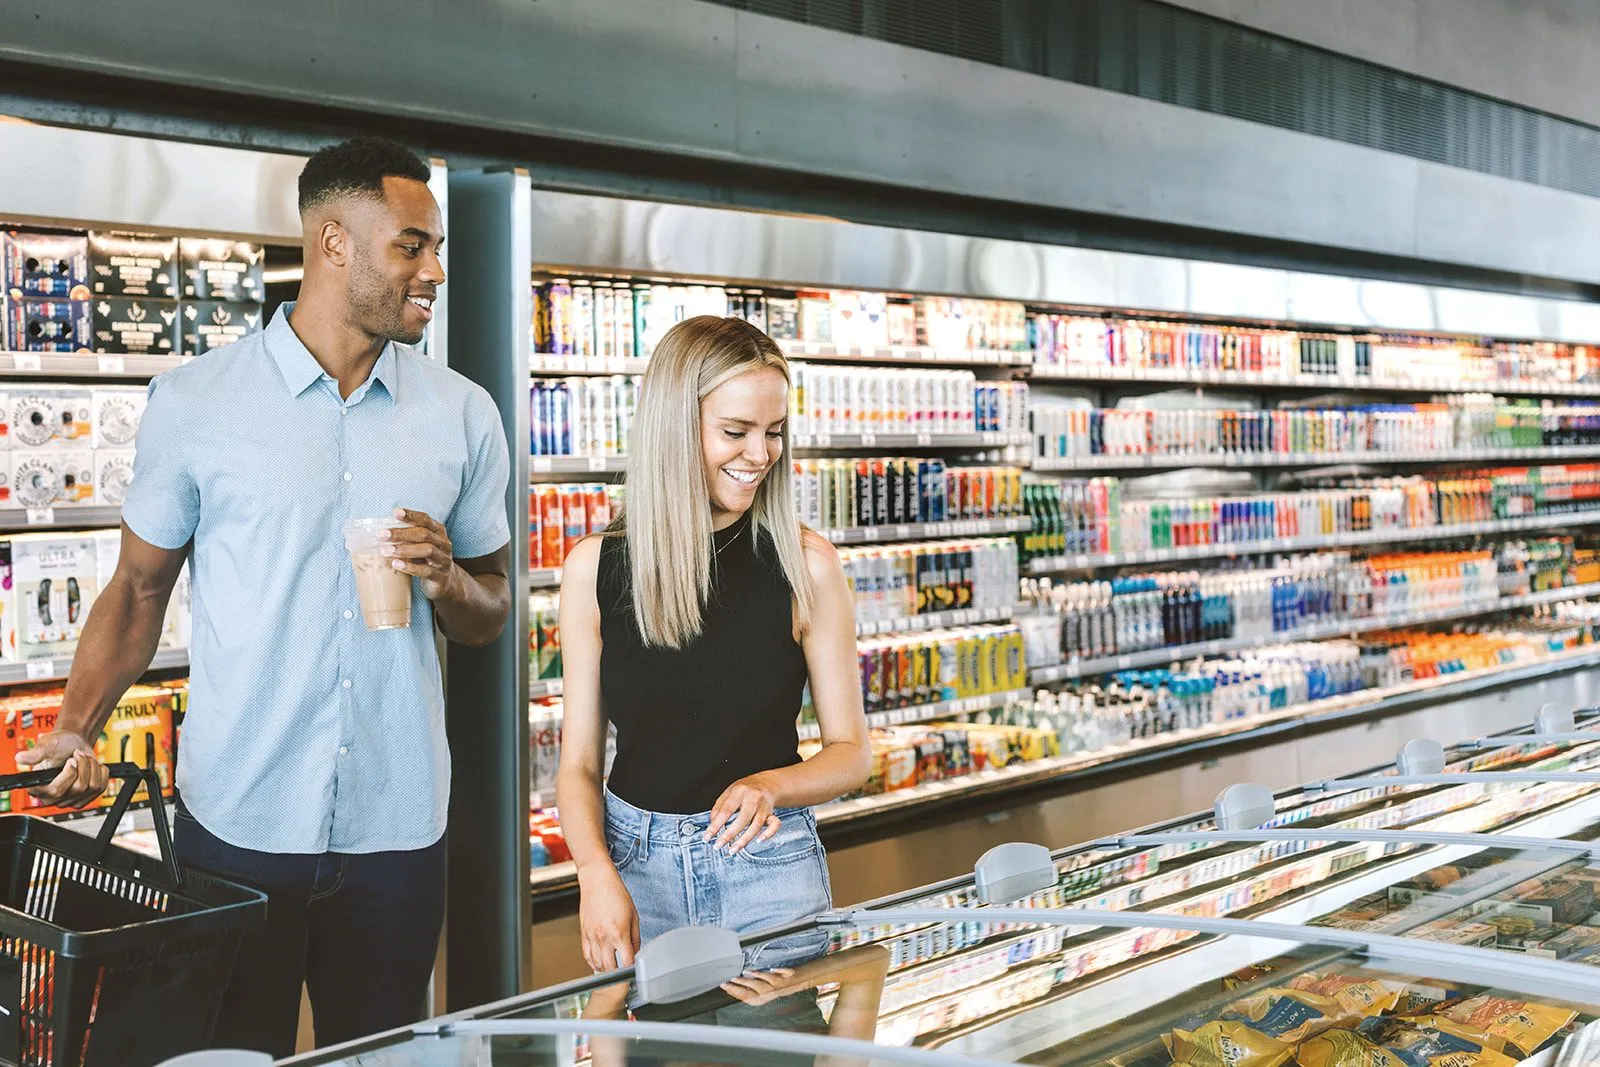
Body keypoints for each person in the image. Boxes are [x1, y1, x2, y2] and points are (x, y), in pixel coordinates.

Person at [18, 136, 512, 1056]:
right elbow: (136, 591)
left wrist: (449, 580)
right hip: (238, 828)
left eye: (436, 247)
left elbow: (493, 608)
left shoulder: (463, 415)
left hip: (399, 832)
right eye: (413, 245)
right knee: (229, 1056)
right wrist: (77, 725)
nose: (435, 270)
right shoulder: (197, 402)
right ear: (334, 242)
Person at [556, 315, 870, 974]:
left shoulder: (806, 565)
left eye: (774, 432)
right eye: (736, 431)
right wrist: (594, 872)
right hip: (635, 872)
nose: (760, 454)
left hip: (767, 869)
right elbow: (578, 764)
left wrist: (770, 785)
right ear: (675, 425)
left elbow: (851, 754)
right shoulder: (594, 566)